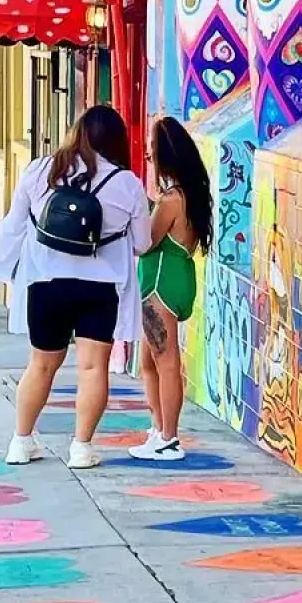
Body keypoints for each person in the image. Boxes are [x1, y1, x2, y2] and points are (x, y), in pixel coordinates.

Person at [0, 105, 150, 469]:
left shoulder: (39, 171)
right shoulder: (128, 184)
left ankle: (21, 441)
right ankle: (81, 448)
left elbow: (14, 227)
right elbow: (141, 244)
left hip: (46, 285)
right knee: (93, 368)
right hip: (99, 289)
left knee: (40, 365)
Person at [131, 116, 214, 461]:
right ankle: (158, 428)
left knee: (166, 362)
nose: (149, 159)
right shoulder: (192, 195)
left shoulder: (169, 201)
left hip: (160, 286)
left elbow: (145, 243)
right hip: (179, 281)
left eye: (152, 154)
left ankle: (169, 437)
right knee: (148, 363)